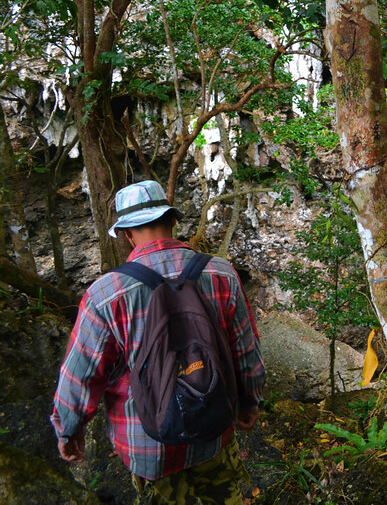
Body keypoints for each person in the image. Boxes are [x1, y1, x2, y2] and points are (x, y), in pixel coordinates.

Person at [52, 180, 265, 504]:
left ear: (127, 234)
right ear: (172, 221)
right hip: (214, 426)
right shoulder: (221, 273)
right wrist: (250, 402)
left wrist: (68, 430)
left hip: (149, 444)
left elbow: (81, 374)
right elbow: (246, 351)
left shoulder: (105, 294)